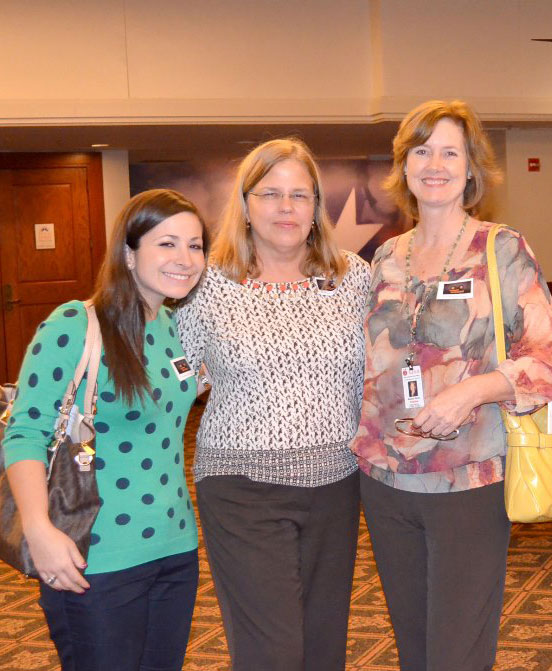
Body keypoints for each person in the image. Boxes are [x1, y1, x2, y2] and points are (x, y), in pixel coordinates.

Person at [352, 100, 552, 671]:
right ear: (403, 167)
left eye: (450, 152)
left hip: (469, 480)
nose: (435, 164)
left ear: (471, 168)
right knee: (414, 647)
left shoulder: (501, 248)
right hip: (386, 477)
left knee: (456, 652)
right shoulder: (388, 257)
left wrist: (472, 390)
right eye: (421, 151)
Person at [175, 138, 371, 671]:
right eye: (270, 194)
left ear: (315, 208)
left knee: (323, 642)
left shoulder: (352, 276)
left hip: (336, 482)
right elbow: (175, 378)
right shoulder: (207, 283)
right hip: (242, 487)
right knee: (274, 650)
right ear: (244, 203)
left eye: (300, 195)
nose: (286, 208)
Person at [3, 189, 209, 671]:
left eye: (195, 245)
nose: (184, 259)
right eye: (167, 243)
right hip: (94, 556)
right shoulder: (76, 323)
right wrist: (38, 531)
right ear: (129, 254)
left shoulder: (173, 326)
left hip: (175, 547)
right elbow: (24, 433)